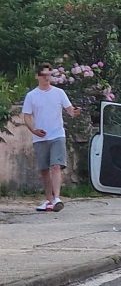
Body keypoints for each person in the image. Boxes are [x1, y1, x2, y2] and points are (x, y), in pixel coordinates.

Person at [22, 63, 81, 212]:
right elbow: (27, 116)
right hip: (40, 137)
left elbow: (70, 110)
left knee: (56, 166)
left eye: (49, 75)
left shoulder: (59, 93)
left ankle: (57, 199)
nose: (46, 78)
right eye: (43, 75)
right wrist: (34, 130)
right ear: (37, 76)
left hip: (57, 134)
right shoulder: (31, 96)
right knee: (44, 170)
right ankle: (49, 200)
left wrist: (75, 112)